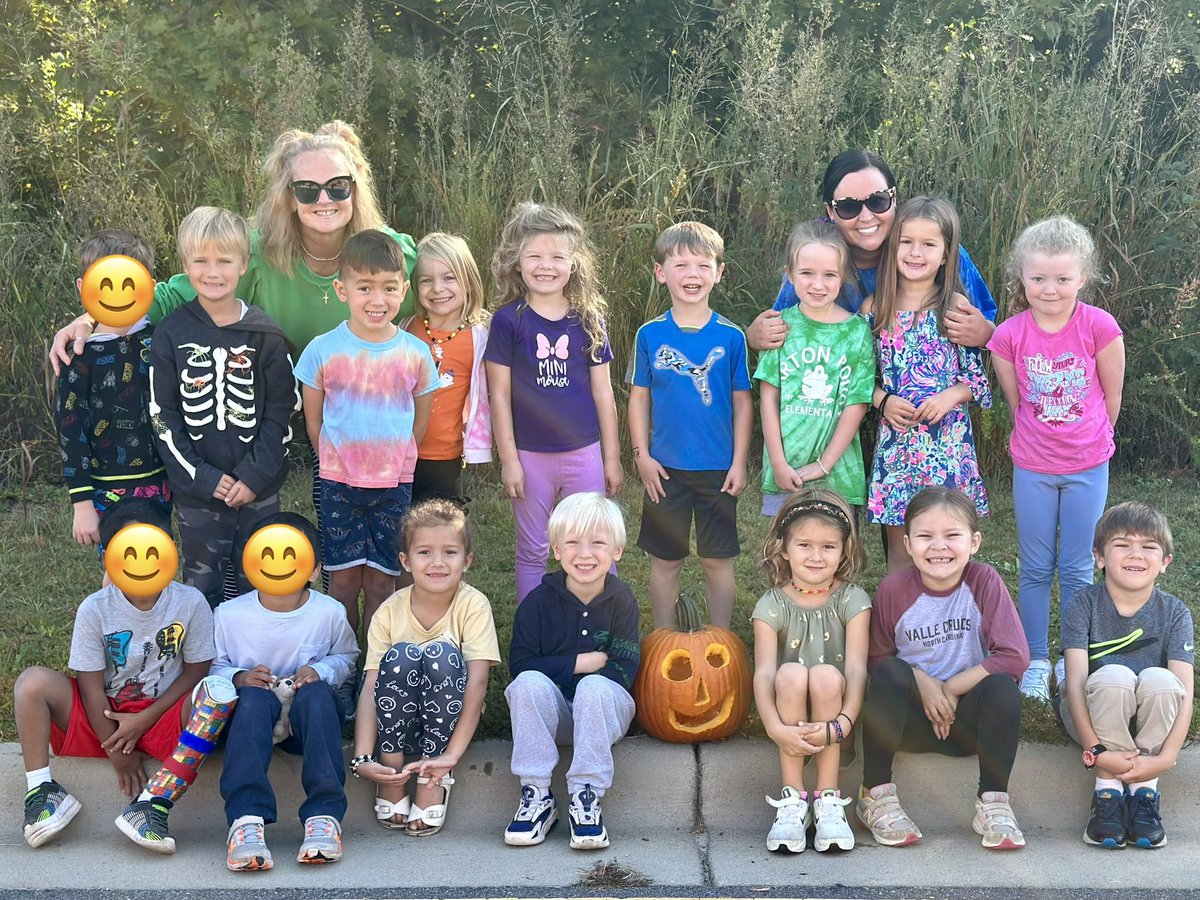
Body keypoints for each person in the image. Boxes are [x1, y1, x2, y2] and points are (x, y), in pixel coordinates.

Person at [14, 500, 227, 852]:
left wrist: (145, 719)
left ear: (169, 551)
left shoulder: (190, 602)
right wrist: (114, 747)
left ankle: (152, 804)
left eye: (151, 548)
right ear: (107, 558)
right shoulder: (95, 608)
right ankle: (42, 791)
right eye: (128, 551)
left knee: (217, 694)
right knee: (31, 683)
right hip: (104, 717)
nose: (141, 560)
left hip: (164, 716)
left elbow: (196, 670)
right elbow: (89, 685)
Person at [988, 217, 1125, 701]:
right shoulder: (1008, 335)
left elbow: (1111, 397)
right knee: (1036, 567)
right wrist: (1041, 441)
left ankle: (1073, 660)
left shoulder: (1100, 327)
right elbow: (1015, 400)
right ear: (1020, 277)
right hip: (1034, 466)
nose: (1050, 289)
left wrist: (1087, 441)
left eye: (1063, 279)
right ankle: (1034, 659)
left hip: (1088, 465)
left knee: (1078, 567)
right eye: (1038, 278)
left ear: (1082, 278)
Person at [857, 487, 1030, 850]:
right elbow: (876, 660)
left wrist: (950, 688)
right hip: (908, 723)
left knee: (1003, 688)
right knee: (890, 672)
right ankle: (874, 793)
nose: (939, 547)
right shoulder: (892, 590)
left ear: (974, 541)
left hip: (968, 726)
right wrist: (923, 682)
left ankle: (994, 802)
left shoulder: (983, 582)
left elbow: (1014, 656)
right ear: (906, 543)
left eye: (952, 535)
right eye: (925, 536)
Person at [149, 207, 299, 608]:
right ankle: (202, 667)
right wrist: (201, 478)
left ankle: (253, 665)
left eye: (224, 261)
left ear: (244, 265)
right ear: (185, 266)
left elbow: (282, 411)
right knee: (201, 588)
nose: (212, 272)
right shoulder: (170, 335)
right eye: (201, 261)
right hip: (198, 493)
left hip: (259, 488)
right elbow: (163, 417)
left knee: (261, 582)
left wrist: (254, 475)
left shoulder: (264, 334)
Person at [295, 229, 439, 642]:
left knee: (381, 581)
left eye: (389, 288)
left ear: (404, 290)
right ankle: (340, 661)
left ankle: (373, 663)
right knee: (342, 582)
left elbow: (420, 416)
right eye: (365, 288)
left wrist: (397, 457)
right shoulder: (322, 350)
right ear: (342, 290)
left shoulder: (414, 352)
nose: (378, 300)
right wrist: (332, 459)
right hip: (338, 483)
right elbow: (313, 419)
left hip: (394, 485)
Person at [485, 202, 623, 602]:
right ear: (516, 261)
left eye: (557, 257)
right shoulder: (509, 321)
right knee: (533, 549)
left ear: (574, 263)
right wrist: (509, 459)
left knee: (595, 542)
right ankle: (534, 629)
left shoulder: (588, 319)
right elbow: (499, 394)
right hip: (530, 457)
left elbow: (603, 393)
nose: (546, 266)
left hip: (584, 454)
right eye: (535, 256)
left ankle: (600, 620)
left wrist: (610, 459)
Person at [213, 512, 359, 871]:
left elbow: (348, 656)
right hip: (252, 721)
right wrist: (239, 676)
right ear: (250, 564)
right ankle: (246, 819)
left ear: (313, 568)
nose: (278, 564)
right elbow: (212, 666)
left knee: (319, 694)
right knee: (250, 698)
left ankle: (324, 817)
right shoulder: (229, 615)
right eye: (266, 555)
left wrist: (319, 670)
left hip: (307, 724)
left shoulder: (329, 612)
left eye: (291, 556)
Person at [746, 149, 996, 353]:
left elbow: (990, 324)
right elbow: (780, 324)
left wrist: (985, 334)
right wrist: (754, 336)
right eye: (847, 207)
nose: (866, 217)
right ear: (830, 212)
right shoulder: (817, 253)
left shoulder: (930, 245)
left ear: (894, 198)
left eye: (877, 200)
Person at [627, 221, 751, 629]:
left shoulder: (731, 337)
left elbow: (742, 402)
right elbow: (639, 398)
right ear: (661, 272)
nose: (692, 275)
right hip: (665, 470)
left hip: (717, 468)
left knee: (717, 559)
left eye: (702, 265)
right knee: (666, 560)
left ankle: (723, 639)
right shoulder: (650, 335)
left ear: (719, 272)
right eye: (680, 265)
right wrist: (641, 455)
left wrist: (739, 462)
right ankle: (663, 638)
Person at [350, 500, 500, 834]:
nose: (437, 563)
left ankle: (433, 775)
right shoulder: (389, 611)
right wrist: (363, 758)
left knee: (441, 655)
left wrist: (451, 757)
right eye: (424, 552)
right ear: (405, 560)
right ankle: (392, 776)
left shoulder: (473, 606)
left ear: (467, 560)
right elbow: (371, 686)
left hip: (446, 727)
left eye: (450, 552)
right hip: (395, 728)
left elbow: (477, 685)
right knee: (402, 655)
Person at [503, 492, 640, 850]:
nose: (585, 554)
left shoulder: (622, 600)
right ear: (556, 550)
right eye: (573, 543)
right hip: (556, 718)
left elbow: (624, 670)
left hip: (605, 714)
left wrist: (586, 682)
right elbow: (520, 665)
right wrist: (577, 664)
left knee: (594, 688)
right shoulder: (537, 602)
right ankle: (537, 795)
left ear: (616, 552)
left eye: (597, 543)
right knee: (528, 684)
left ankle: (586, 795)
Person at [862, 197, 992, 571]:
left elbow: (977, 381)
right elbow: (856, 379)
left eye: (929, 244)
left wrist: (951, 396)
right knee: (901, 551)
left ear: (947, 254)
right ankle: (898, 625)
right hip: (898, 448)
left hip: (947, 447)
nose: (915, 252)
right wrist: (881, 400)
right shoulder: (875, 309)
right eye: (906, 242)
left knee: (948, 545)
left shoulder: (953, 307)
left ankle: (950, 623)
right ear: (893, 246)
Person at [1058, 502, 1193, 850]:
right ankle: (1106, 795)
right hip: (1094, 716)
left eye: (1148, 546)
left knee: (1163, 681)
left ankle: (1145, 792)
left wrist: (1165, 759)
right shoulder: (1082, 604)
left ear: (1165, 562)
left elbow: (1185, 694)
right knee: (1114, 675)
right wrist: (1097, 752)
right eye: (1122, 544)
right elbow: (1074, 685)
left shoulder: (1175, 612)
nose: (1135, 553)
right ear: (1099, 557)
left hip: (1150, 723)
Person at [752, 489, 871, 853]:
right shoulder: (771, 605)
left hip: (836, 717)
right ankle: (792, 800)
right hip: (788, 714)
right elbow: (764, 675)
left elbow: (856, 669)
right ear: (784, 548)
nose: (816, 556)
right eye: (804, 545)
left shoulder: (853, 600)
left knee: (825, 675)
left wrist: (843, 724)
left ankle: (829, 800)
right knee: (789, 674)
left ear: (844, 550)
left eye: (828, 546)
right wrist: (774, 728)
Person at [55, 230, 171, 572]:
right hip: (108, 487)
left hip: (164, 480)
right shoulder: (78, 356)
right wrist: (81, 503)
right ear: (83, 288)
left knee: (159, 565)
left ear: (148, 284)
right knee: (122, 570)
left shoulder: (161, 339)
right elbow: (70, 430)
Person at [755, 221, 875, 518]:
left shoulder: (857, 333)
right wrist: (778, 464)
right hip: (786, 471)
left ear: (843, 276)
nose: (818, 284)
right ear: (790, 275)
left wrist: (824, 464)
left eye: (829, 275)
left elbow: (857, 404)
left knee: (837, 558)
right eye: (807, 273)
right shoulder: (779, 326)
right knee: (784, 556)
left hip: (839, 476)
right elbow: (769, 399)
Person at [401, 233, 493, 507]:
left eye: (448, 277)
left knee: (438, 526)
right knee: (398, 523)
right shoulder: (406, 329)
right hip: (400, 448)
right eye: (426, 280)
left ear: (469, 282)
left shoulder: (481, 336)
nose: (437, 288)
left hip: (445, 454)